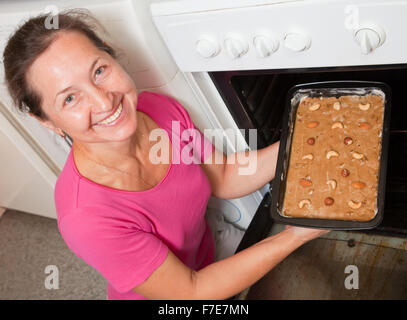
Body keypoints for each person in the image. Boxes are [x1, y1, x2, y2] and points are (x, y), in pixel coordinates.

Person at [3, 10, 329, 300]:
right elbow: (192, 290)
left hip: (209, 248)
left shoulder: (158, 110)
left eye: (99, 71)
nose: (104, 103)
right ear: (46, 120)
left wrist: (303, 140)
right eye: (70, 99)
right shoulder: (86, 218)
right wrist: (293, 236)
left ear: (112, 57)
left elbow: (226, 177)